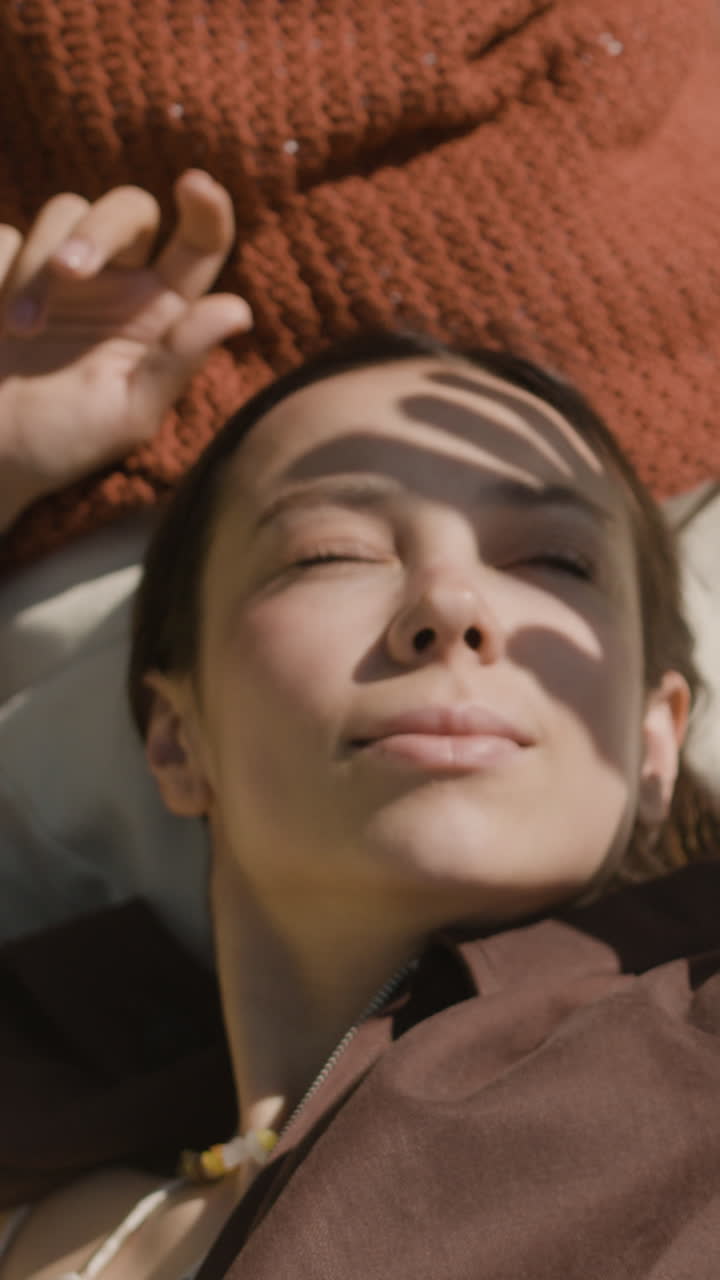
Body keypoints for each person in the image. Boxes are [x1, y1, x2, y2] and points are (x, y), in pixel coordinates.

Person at [0, 178, 719, 1280]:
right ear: (175, 735)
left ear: (658, 736)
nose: (451, 606)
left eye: (554, 562)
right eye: (330, 549)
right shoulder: (49, 1176)